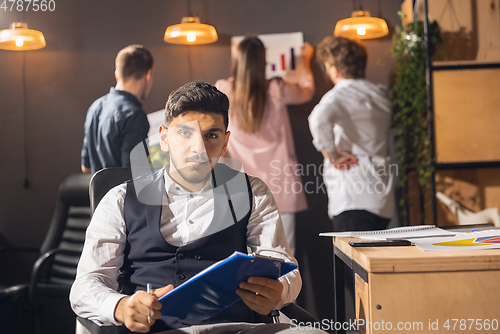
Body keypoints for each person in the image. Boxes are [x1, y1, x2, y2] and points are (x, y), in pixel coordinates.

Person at [70, 81, 325, 334]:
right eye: (184, 133)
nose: (199, 148)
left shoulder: (252, 191)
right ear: (164, 137)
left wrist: (279, 291)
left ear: (225, 143)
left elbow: (283, 266)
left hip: (236, 328)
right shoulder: (120, 197)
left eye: (211, 135)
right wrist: (121, 306)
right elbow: (86, 285)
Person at [215, 36, 315, 255]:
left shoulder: (223, 89)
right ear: (263, 60)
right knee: (285, 259)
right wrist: (306, 59)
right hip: (282, 186)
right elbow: (307, 89)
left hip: (242, 188)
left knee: (244, 257)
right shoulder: (277, 87)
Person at [308, 36, 395, 232]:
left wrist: (333, 156)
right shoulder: (379, 95)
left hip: (353, 195)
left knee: (350, 262)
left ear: (334, 70)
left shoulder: (339, 95)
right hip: (382, 198)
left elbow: (317, 119)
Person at [81, 44, 154, 175]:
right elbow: (133, 175)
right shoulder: (134, 115)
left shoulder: (95, 107)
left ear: (117, 74)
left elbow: (86, 167)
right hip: (125, 195)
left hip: (98, 195)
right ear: (148, 75)